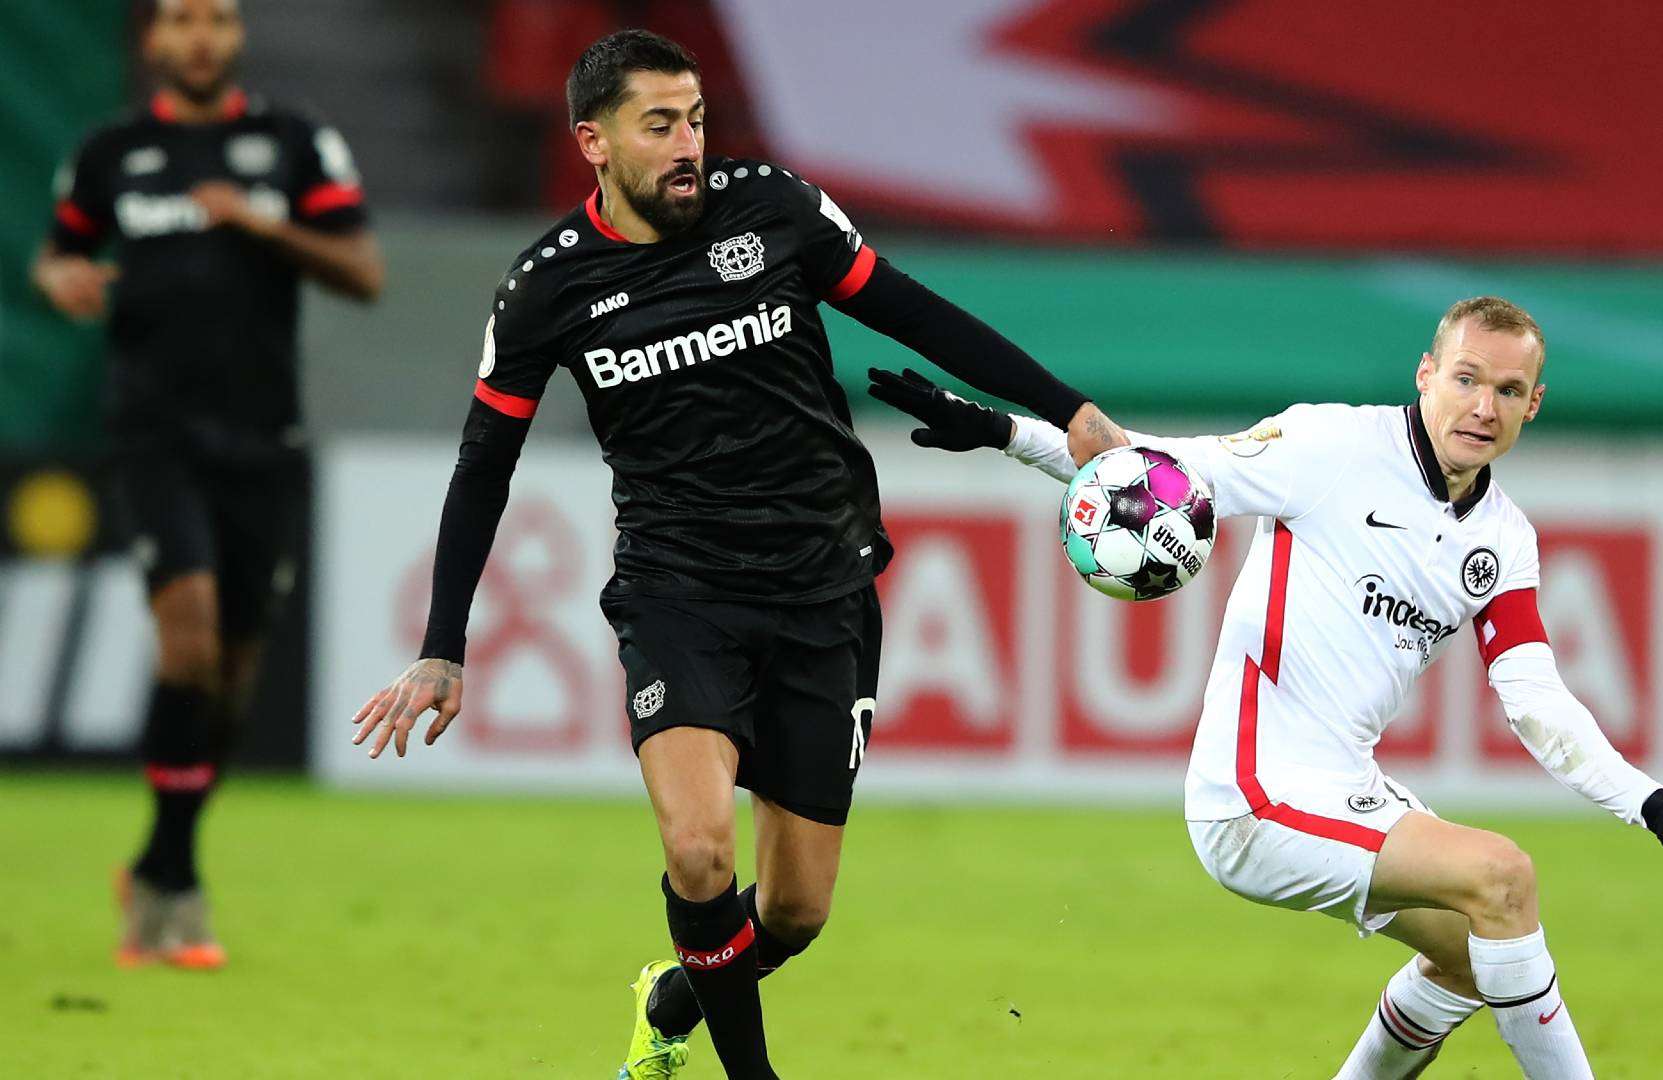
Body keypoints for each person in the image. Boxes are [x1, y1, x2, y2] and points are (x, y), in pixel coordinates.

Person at [346, 28, 1119, 1080]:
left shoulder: (776, 212)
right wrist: (443, 645)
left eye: (697, 120)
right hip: (679, 594)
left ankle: (673, 999)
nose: (687, 145)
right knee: (698, 848)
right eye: (659, 124)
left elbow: (918, 313)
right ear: (593, 141)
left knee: (794, 914)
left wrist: (1068, 412)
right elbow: (486, 464)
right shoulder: (545, 289)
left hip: (824, 589)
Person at [867, 296, 1663, 1078]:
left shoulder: (1505, 539)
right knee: (1504, 879)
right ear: (1426, 374)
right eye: (1465, 378)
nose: (1481, 406)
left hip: (1345, 784)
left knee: (1468, 955)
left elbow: (1533, 699)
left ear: (1535, 403)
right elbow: (1153, 469)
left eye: (1506, 390)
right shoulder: (1330, 443)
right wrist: (1004, 433)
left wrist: (1653, 806)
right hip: (1251, 793)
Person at [34, 0, 383, 970]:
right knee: (185, 643)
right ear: (153, 38)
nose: (200, 36)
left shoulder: (293, 143)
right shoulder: (109, 153)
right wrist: (62, 276)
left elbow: (362, 270)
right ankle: (175, 896)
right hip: (154, 437)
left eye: (218, 19)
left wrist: (264, 227)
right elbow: (60, 250)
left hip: (261, 442)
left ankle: (157, 857)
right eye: (182, 19)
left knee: (231, 675)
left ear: (234, 38)